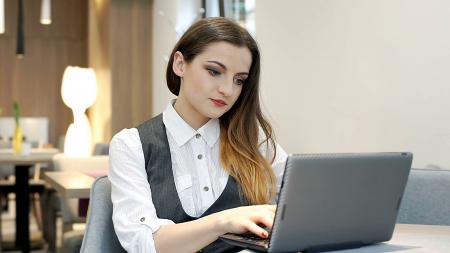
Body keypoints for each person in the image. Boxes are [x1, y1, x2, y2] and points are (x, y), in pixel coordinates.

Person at [109, 17, 287, 253]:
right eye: (214, 71)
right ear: (180, 64)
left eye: (239, 80)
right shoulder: (131, 145)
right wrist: (222, 222)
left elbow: (298, 206)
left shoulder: (255, 142)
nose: (227, 90)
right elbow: (145, 245)